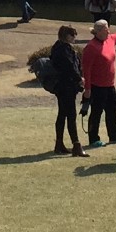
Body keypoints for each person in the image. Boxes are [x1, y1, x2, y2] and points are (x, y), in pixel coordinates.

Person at [79, 19, 116, 148]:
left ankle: (113, 135)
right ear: (98, 32)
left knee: (111, 110)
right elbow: (86, 70)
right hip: (96, 86)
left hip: (110, 85)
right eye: (106, 29)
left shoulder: (110, 40)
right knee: (96, 113)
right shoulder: (91, 47)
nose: (108, 31)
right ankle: (93, 138)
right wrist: (87, 89)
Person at [42, 25, 84, 155]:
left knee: (63, 114)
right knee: (71, 115)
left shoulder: (57, 48)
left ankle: (59, 144)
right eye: (73, 35)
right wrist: (79, 79)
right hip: (67, 86)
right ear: (67, 36)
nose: (74, 38)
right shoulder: (64, 50)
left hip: (61, 86)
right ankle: (76, 145)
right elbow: (70, 67)